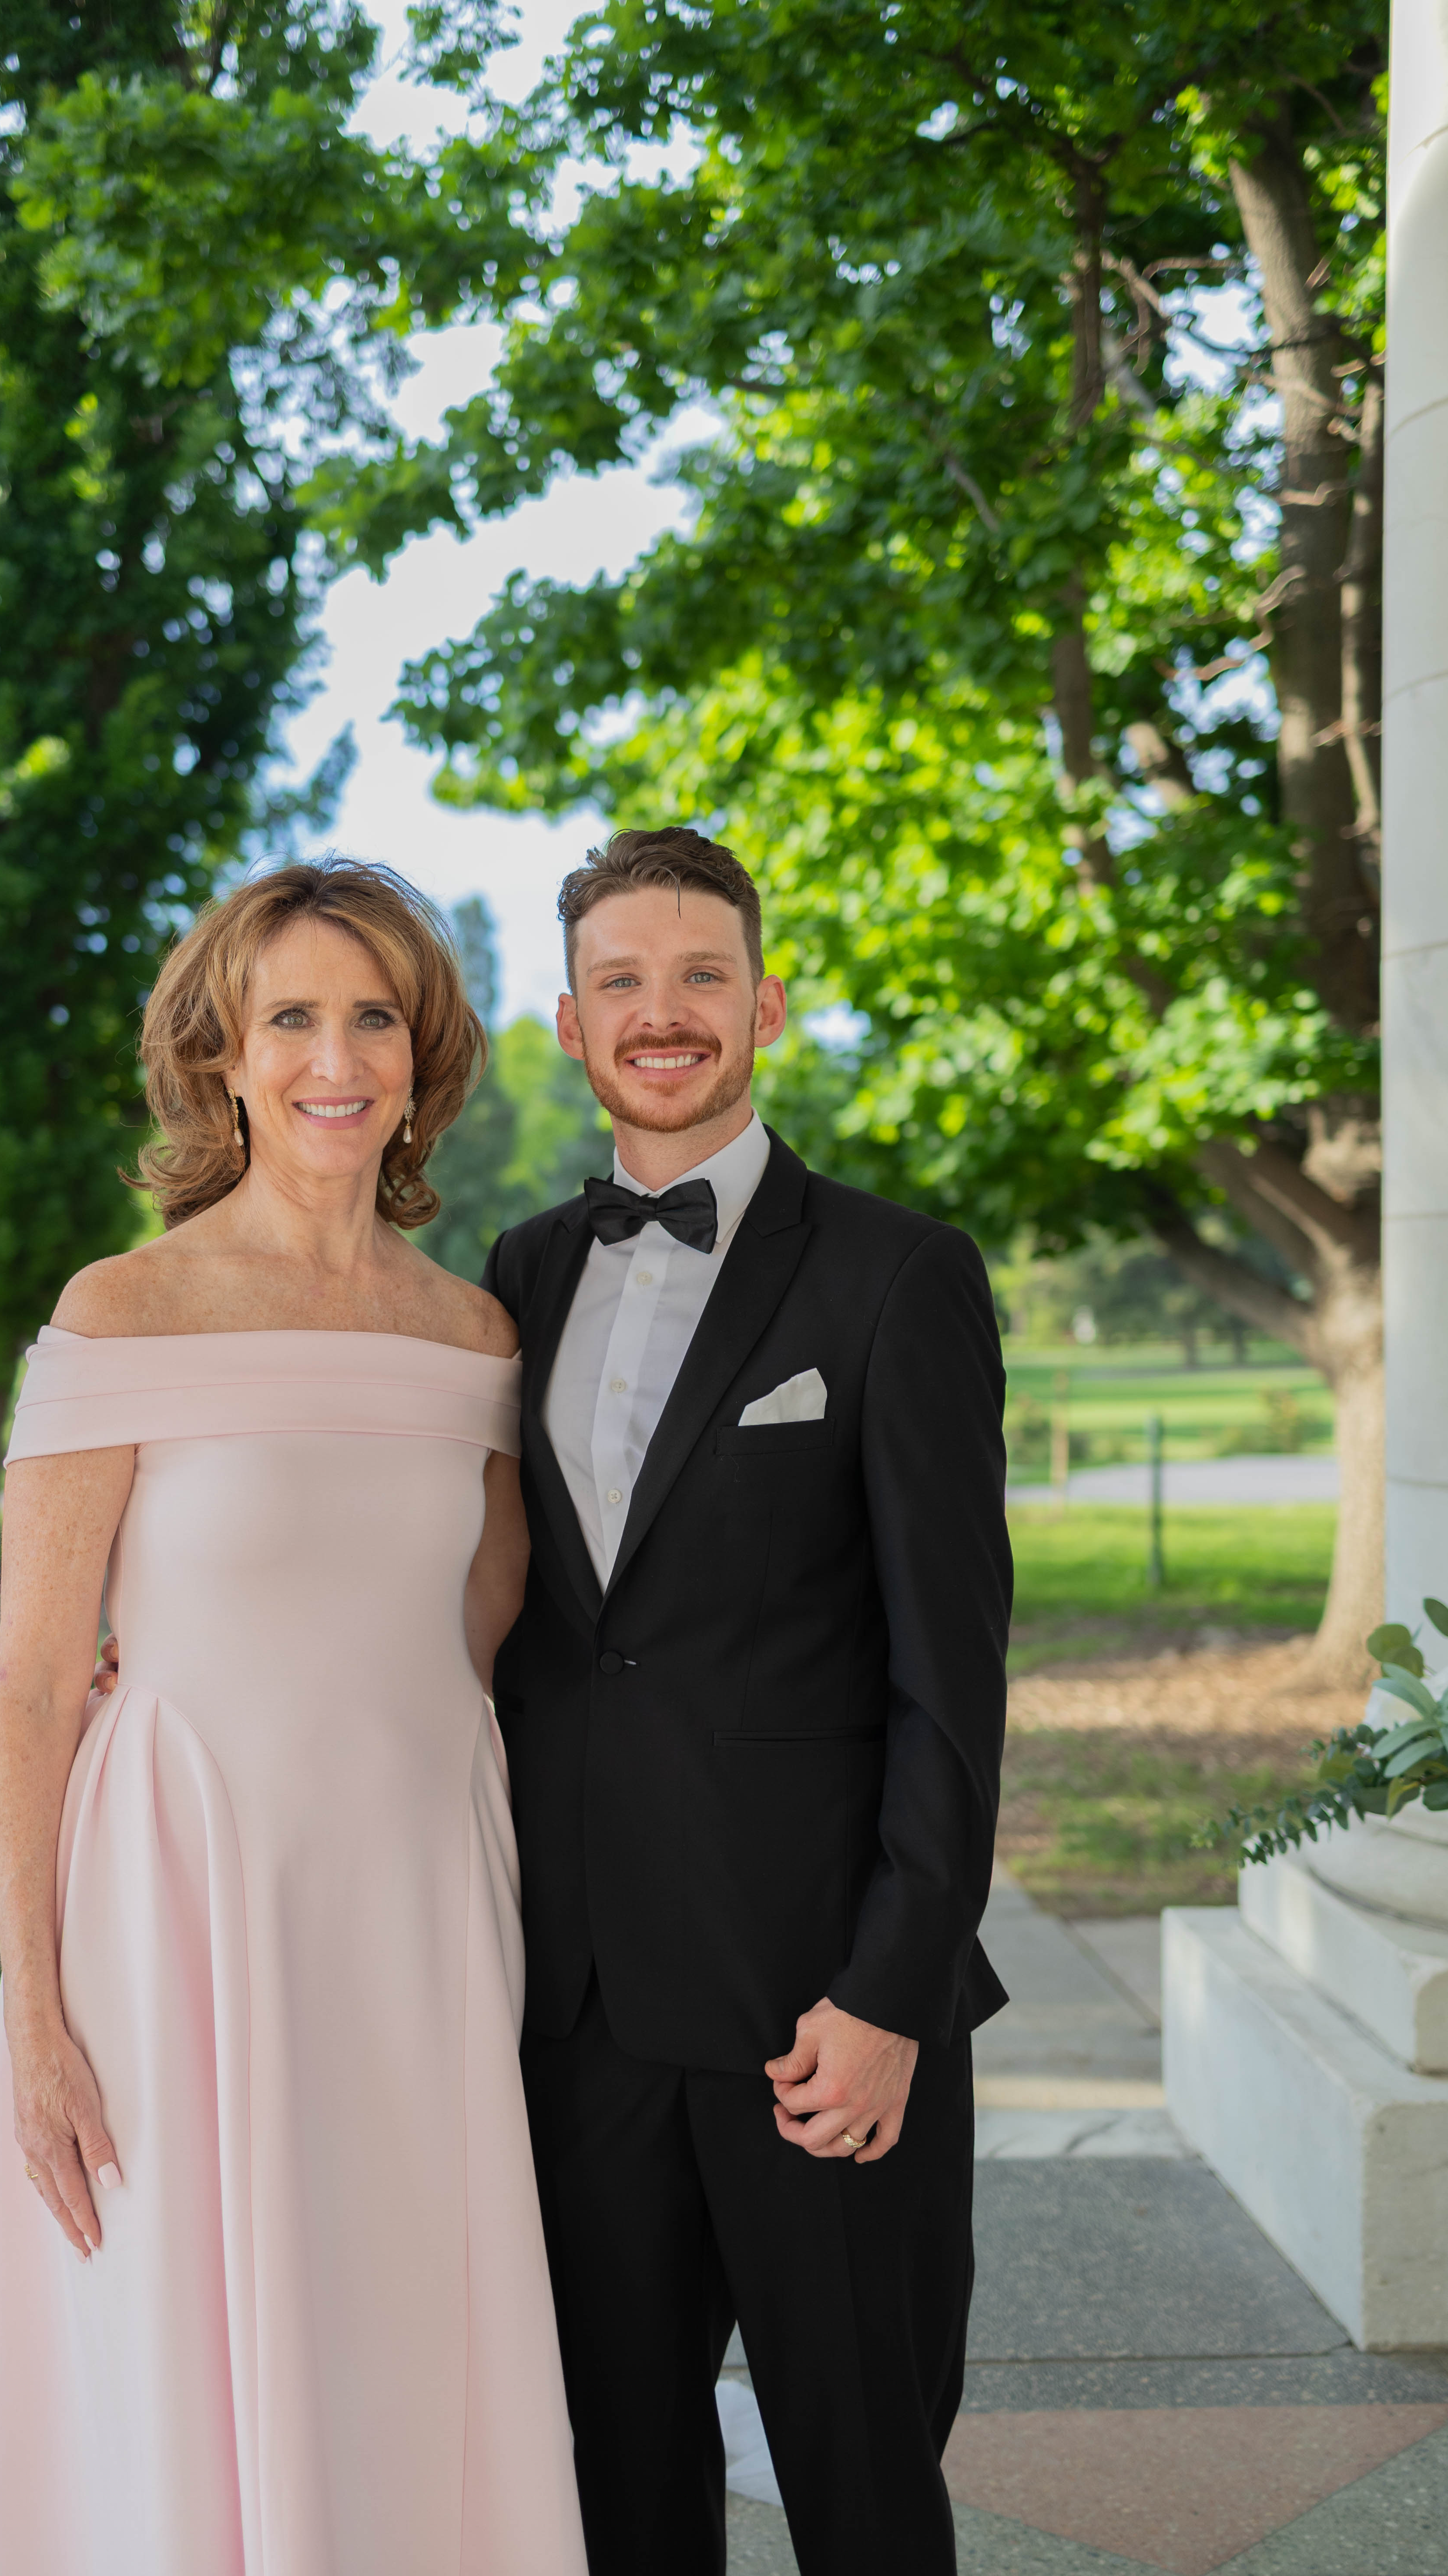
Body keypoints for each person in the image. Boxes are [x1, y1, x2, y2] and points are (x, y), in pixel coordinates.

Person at [0, 862, 588, 2576]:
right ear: (222, 1060)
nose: (337, 1057)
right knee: (181, 2357)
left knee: (406, 2339)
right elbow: (33, 1679)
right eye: (291, 1017)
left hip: (420, 1919)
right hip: (179, 1919)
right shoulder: (121, 1311)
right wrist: (36, 2010)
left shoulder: (472, 1337)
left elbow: (490, 1634)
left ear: (420, 1058)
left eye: (373, 1017)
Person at [481, 826, 1012, 2576]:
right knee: (620, 2500)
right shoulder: (513, 1279)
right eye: (622, 980)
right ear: (570, 1020)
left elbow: (953, 1675)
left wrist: (892, 1991)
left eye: (702, 974)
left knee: (866, 2493)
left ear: (766, 1005)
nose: (664, 1012)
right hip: (577, 2016)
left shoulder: (898, 1274)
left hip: (817, 2012)